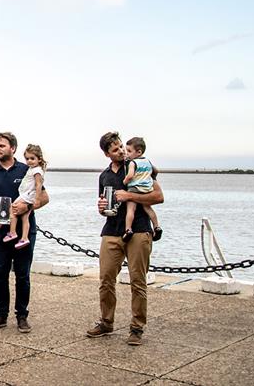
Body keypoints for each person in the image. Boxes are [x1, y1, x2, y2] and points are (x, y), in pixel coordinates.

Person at [87, 131, 164, 346]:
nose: (121, 151)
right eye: (115, 149)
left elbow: (159, 196)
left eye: (121, 146)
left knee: (138, 281)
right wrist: (101, 208)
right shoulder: (104, 176)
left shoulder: (139, 165)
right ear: (107, 154)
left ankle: (137, 328)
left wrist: (129, 195)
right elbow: (104, 204)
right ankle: (106, 322)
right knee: (106, 280)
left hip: (138, 230)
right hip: (111, 231)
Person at [0, 132, 49, 333]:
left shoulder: (29, 169)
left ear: (13, 148)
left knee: (23, 275)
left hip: (24, 233)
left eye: (2, 145)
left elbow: (44, 197)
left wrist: (27, 208)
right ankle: (0, 314)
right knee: (0, 275)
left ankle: (22, 316)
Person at [3, 144, 46, 250]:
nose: (29, 161)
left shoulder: (36, 171)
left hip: (27, 195)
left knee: (12, 209)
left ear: (39, 159)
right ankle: (24, 238)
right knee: (24, 217)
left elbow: (38, 184)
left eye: (32, 158)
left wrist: (36, 199)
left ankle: (12, 232)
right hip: (29, 195)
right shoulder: (33, 169)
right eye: (27, 159)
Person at [122, 136, 162, 242]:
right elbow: (156, 171)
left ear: (138, 152)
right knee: (148, 208)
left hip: (134, 188)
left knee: (130, 209)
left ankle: (128, 230)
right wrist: (149, 177)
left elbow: (130, 176)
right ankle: (157, 226)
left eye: (129, 151)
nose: (127, 153)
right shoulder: (147, 161)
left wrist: (125, 182)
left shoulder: (132, 163)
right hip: (146, 188)